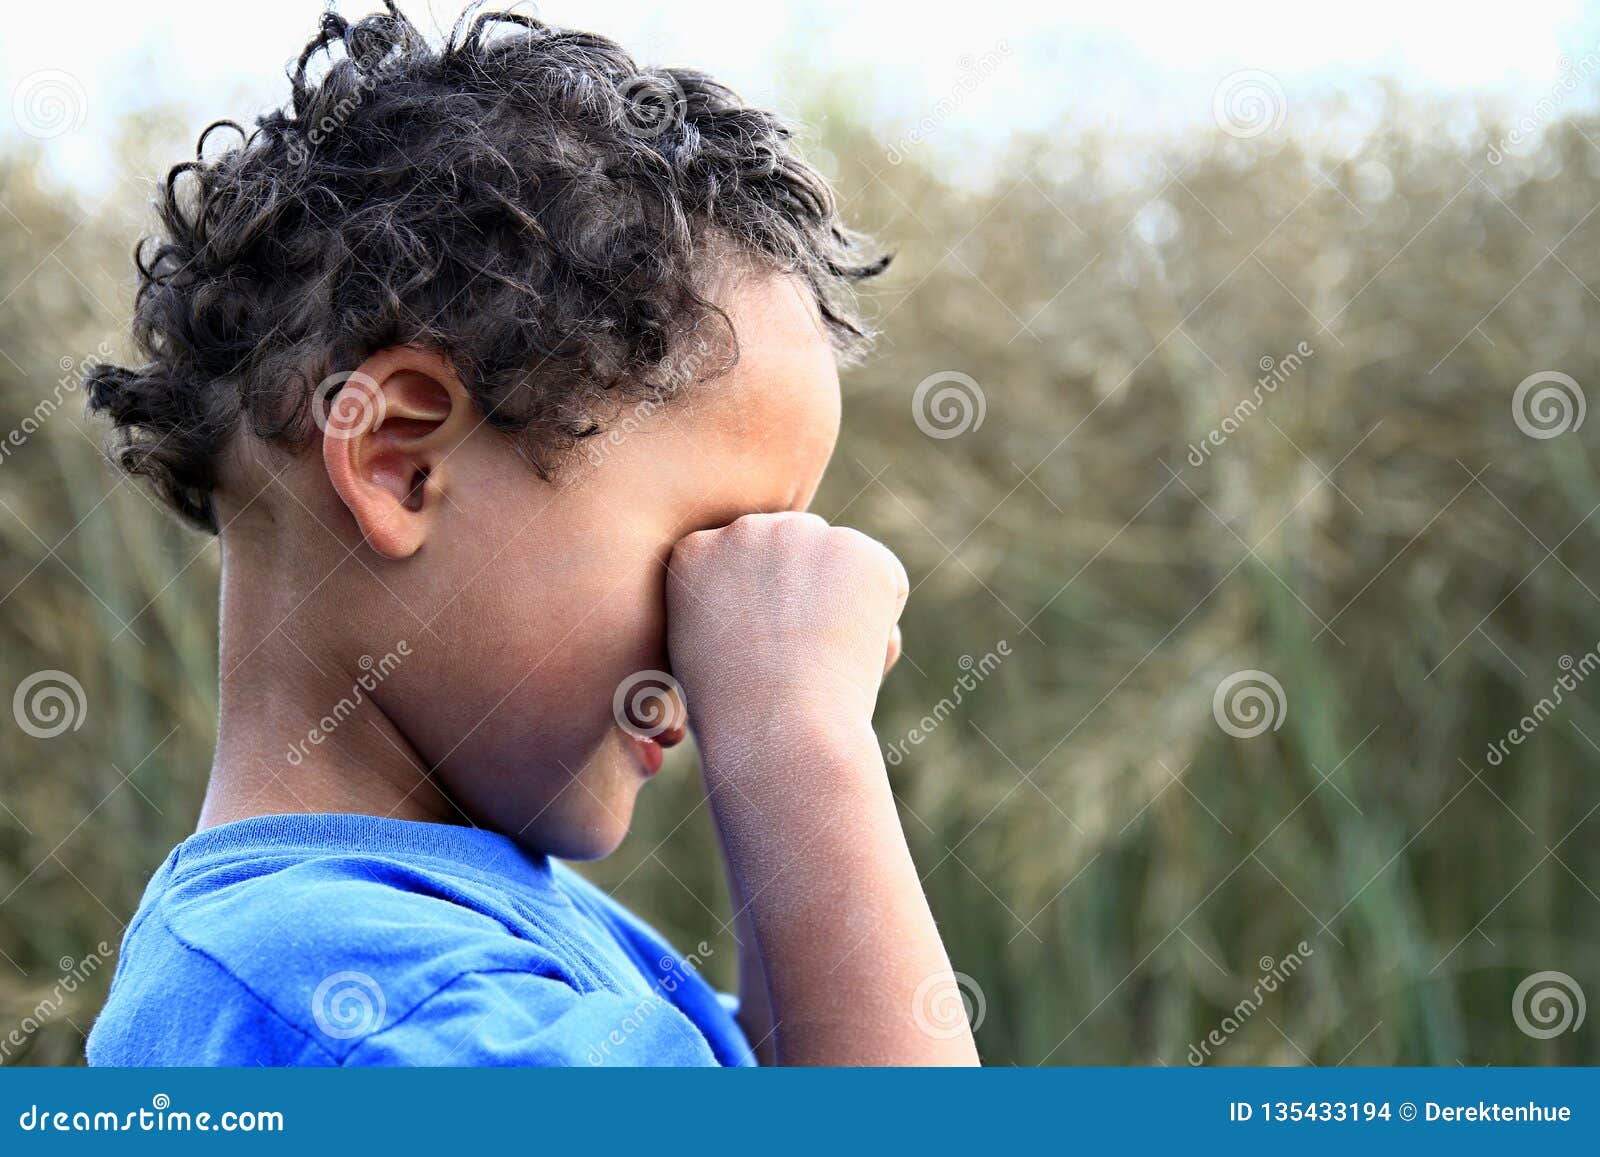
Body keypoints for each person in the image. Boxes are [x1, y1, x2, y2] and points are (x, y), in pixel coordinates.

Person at [84, 2, 977, 1067]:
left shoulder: (438, 940)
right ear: (402, 462)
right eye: (710, 543)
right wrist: (800, 739)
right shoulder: (382, 1005)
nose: (730, 627)